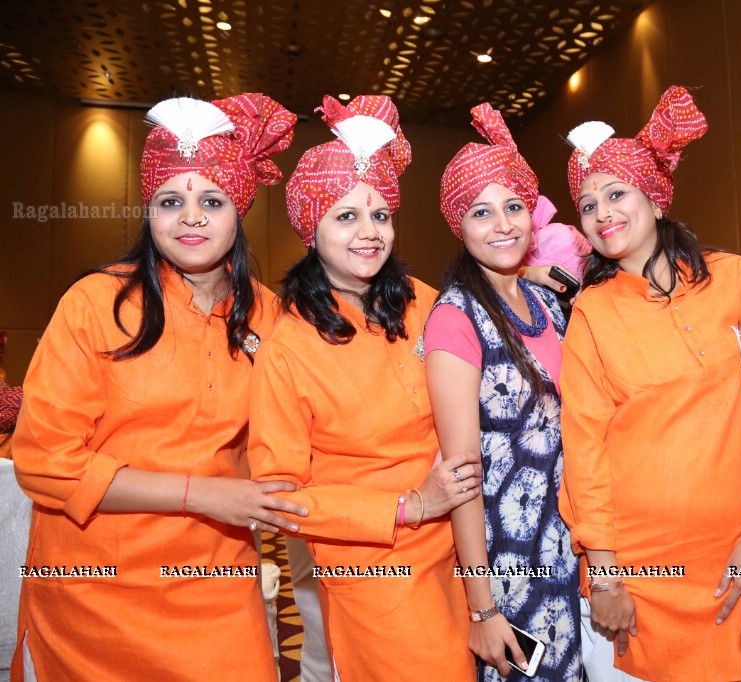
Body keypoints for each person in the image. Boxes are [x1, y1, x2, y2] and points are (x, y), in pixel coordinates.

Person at [11, 93, 301, 680]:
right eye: (172, 201)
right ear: (150, 212)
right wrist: (204, 494)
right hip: (93, 590)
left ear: (239, 211)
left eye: (211, 201)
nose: (191, 217)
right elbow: (44, 461)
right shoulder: (96, 302)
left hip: (216, 583)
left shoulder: (270, 317)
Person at [246, 94, 479, 681]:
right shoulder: (288, 347)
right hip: (375, 566)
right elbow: (279, 495)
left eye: (379, 215)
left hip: (466, 547)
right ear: (310, 228)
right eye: (345, 217)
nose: (368, 233)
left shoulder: (426, 302)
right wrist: (407, 505)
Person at [559, 86, 741, 682]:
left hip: (735, 554)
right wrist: (604, 575)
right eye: (586, 204)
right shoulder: (593, 311)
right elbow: (586, 449)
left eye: (616, 193)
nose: (602, 213)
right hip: (637, 572)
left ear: (654, 197)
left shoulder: (734, 281)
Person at [425, 102, 583, 681]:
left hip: (565, 549)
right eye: (481, 213)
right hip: (507, 565)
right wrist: (481, 606)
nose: (503, 225)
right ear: (458, 226)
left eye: (513, 207)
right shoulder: (454, 317)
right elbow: (460, 473)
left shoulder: (545, 303)